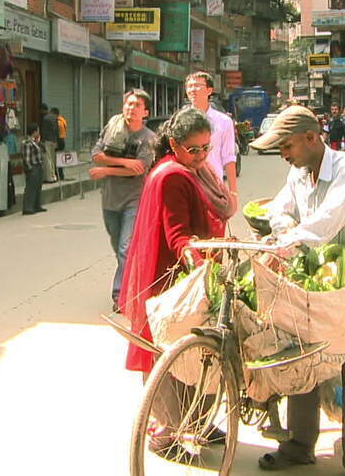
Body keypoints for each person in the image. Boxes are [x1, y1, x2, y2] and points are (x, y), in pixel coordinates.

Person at [248, 105, 345, 475]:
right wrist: (282, 227)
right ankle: (298, 444)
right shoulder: (298, 174)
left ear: (311, 138)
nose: (284, 155)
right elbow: (278, 208)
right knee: (300, 363)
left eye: (287, 146)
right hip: (308, 283)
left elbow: (328, 221)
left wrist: (291, 238)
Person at [118, 107, 232, 459]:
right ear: (173, 145)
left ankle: (196, 420)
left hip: (175, 275)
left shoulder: (185, 170)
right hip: (172, 280)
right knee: (174, 356)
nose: (200, 156)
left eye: (205, 148)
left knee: (195, 356)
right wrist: (200, 268)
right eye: (193, 149)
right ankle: (165, 432)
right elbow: (178, 235)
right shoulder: (174, 176)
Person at [90, 90, 157, 308]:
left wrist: (107, 170)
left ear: (145, 112)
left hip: (134, 200)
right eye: (129, 104)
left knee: (125, 248)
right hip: (110, 199)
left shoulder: (148, 139)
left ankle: (121, 296)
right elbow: (96, 155)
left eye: (137, 105)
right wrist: (125, 162)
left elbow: (139, 170)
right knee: (118, 246)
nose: (131, 108)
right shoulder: (112, 129)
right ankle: (135, 282)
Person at [184, 71, 238, 197]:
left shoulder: (224, 122)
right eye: (189, 86)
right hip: (187, 184)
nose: (192, 89)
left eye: (197, 85)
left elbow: (229, 157)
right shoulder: (179, 120)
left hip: (213, 185)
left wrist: (233, 193)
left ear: (209, 90)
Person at [22, 123, 47, 215]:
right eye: (38, 131)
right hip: (33, 166)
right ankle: (28, 207)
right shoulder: (27, 142)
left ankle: (37, 205)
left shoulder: (37, 142)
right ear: (34, 132)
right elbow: (26, 157)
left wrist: (39, 142)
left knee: (38, 186)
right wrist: (29, 168)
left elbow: (43, 150)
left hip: (39, 165)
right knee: (31, 187)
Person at [39, 104, 60, 183]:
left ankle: (49, 177)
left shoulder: (45, 118)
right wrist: (56, 140)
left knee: (48, 159)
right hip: (53, 140)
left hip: (47, 140)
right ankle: (54, 176)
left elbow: (43, 130)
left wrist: (42, 140)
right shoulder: (54, 118)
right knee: (53, 159)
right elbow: (57, 130)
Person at [54, 107, 68, 181]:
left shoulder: (58, 122)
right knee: (60, 159)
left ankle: (59, 175)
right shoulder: (63, 120)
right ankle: (61, 175)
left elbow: (56, 132)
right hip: (62, 140)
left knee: (57, 159)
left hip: (59, 140)